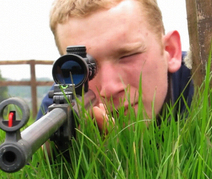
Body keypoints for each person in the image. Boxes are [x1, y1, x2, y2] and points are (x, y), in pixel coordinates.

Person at [37, 0, 194, 131]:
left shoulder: (202, 82)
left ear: (170, 50)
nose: (110, 88)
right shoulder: (59, 107)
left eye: (127, 56)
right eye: (84, 67)